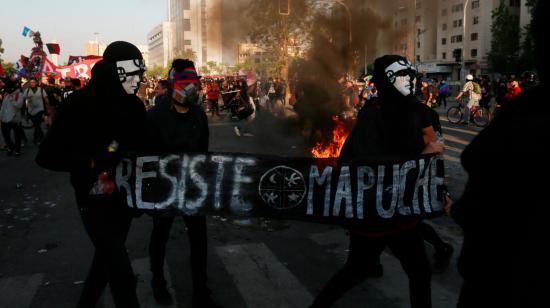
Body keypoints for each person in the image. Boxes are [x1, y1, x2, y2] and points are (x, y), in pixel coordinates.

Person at [310, 55, 443, 308]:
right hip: (375, 214)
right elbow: (368, 163)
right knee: (357, 271)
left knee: (419, 271)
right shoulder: (373, 117)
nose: (410, 81)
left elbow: (422, 154)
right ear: (388, 81)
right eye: (403, 76)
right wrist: (423, 153)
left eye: (411, 75)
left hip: (403, 212)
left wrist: (438, 189)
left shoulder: (412, 112)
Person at [450, 2, 549, 307]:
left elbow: (477, 206)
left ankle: (467, 118)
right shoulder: (522, 113)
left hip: (504, 283)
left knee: (468, 111)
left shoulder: (527, 117)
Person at [35, 41, 147, 308]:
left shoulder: (134, 107)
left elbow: (140, 146)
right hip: (93, 201)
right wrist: (92, 161)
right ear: (113, 72)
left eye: (140, 72)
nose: (139, 79)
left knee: (106, 263)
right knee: (120, 271)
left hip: (125, 201)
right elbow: (47, 156)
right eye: (132, 73)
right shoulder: (79, 104)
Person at [146, 59, 219, 308]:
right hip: (164, 191)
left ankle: (201, 292)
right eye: (185, 83)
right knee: (160, 236)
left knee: (199, 240)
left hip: (193, 190)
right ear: (173, 83)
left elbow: (204, 151)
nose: (191, 89)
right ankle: (158, 281)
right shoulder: (155, 116)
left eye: (194, 84)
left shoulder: (199, 114)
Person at [0, 77, 25, 156]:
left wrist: (12, 100)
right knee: (5, 135)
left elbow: (19, 105)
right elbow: (3, 107)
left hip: (15, 119)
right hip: (5, 119)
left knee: (17, 135)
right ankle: (11, 147)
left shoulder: (19, 94)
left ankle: (17, 150)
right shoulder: (6, 94)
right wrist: (1, 116)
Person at [23, 77, 49, 144]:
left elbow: (46, 99)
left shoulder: (41, 90)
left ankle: (36, 138)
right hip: (31, 111)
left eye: (33, 82)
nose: (32, 84)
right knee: (36, 124)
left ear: (36, 83)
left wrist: (48, 107)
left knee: (37, 124)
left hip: (40, 110)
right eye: (31, 82)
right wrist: (25, 110)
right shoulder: (27, 90)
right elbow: (24, 100)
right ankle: (42, 136)